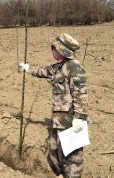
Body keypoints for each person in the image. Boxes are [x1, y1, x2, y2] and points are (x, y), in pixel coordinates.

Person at [19, 33, 88, 178]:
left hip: (70, 120)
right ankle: (61, 173)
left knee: (72, 155)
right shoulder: (59, 66)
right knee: (54, 149)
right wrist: (28, 68)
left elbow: (80, 93)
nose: (52, 51)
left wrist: (80, 117)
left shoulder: (74, 67)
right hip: (58, 119)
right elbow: (43, 71)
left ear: (62, 50)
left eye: (54, 48)